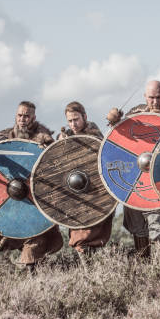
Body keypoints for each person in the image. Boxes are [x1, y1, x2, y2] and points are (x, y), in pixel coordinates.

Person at [0, 101, 63, 274]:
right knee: (4, 233)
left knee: (36, 234)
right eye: (20, 115)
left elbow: (55, 161)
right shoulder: (7, 136)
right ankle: (9, 273)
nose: (23, 119)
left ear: (33, 117)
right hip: (11, 195)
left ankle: (33, 274)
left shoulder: (43, 138)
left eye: (27, 115)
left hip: (37, 198)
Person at [110, 80, 160, 257]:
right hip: (136, 175)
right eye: (151, 97)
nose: (155, 101)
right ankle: (143, 264)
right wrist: (114, 119)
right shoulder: (135, 113)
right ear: (145, 97)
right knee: (137, 225)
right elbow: (119, 136)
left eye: (158, 97)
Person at [57, 101, 114, 257]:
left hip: (95, 189)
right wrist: (61, 144)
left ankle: (93, 267)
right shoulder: (66, 136)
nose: (73, 124)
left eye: (76, 119)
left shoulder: (95, 136)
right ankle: (85, 267)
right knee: (78, 231)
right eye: (70, 121)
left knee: (95, 229)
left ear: (85, 117)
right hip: (75, 189)